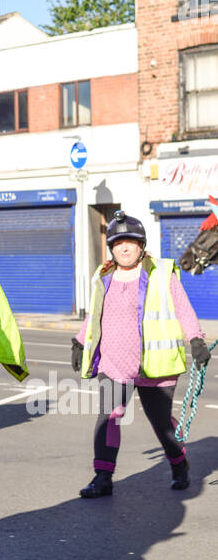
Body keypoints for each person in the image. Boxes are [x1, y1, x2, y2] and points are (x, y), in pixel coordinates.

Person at [73, 210, 210, 497]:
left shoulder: (161, 272)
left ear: (141, 245)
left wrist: (196, 339)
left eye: (130, 242)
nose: (124, 247)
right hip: (114, 364)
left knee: (160, 424)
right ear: (111, 247)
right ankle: (103, 477)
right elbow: (95, 313)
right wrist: (79, 340)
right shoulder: (104, 274)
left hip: (154, 366)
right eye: (118, 243)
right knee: (109, 416)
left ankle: (179, 464)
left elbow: (183, 308)